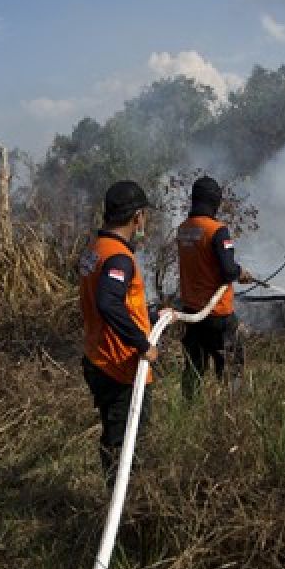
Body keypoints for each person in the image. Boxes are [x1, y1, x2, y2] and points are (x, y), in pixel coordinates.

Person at [78, 180, 166, 489]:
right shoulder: (119, 257)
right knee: (125, 442)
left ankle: (122, 495)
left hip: (98, 357)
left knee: (115, 434)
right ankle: (123, 507)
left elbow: (113, 300)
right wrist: (142, 343)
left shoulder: (95, 250)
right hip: (120, 366)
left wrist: (152, 315)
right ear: (137, 217)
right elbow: (108, 302)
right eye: (145, 216)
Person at [176, 175, 253, 400]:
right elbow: (228, 271)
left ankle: (188, 412)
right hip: (218, 315)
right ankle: (232, 413)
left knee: (193, 368)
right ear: (215, 201)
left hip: (192, 313)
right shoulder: (217, 230)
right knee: (231, 368)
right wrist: (241, 273)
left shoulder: (183, 229)